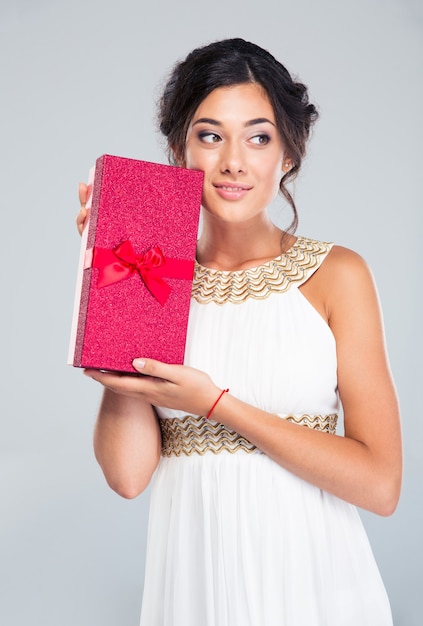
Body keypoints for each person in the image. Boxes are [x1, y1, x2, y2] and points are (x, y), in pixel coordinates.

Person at [76, 38, 402, 626]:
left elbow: (381, 486)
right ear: (179, 150)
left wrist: (216, 405)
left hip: (317, 587)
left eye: (259, 137)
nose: (233, 161)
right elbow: (127, 477)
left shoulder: (337, 276)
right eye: (209, 135)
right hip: (192, 590)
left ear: (289, 154)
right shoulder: (150, 280)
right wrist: (110, 291)